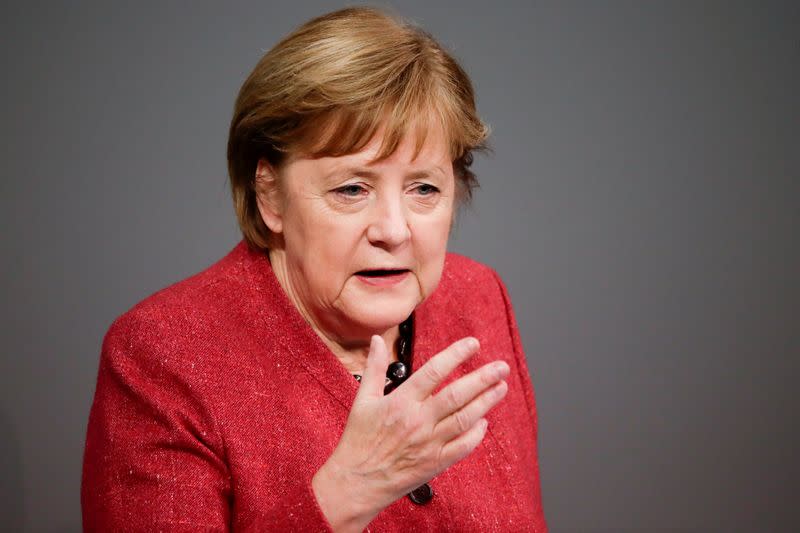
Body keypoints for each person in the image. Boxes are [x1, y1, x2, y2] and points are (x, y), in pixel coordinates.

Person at [82, 6, 547, 532]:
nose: (394, 230)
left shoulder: (478, 299)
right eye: (352, 188)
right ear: (271, 196)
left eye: (424, 188)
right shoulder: (163, 358)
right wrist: (345, 497)